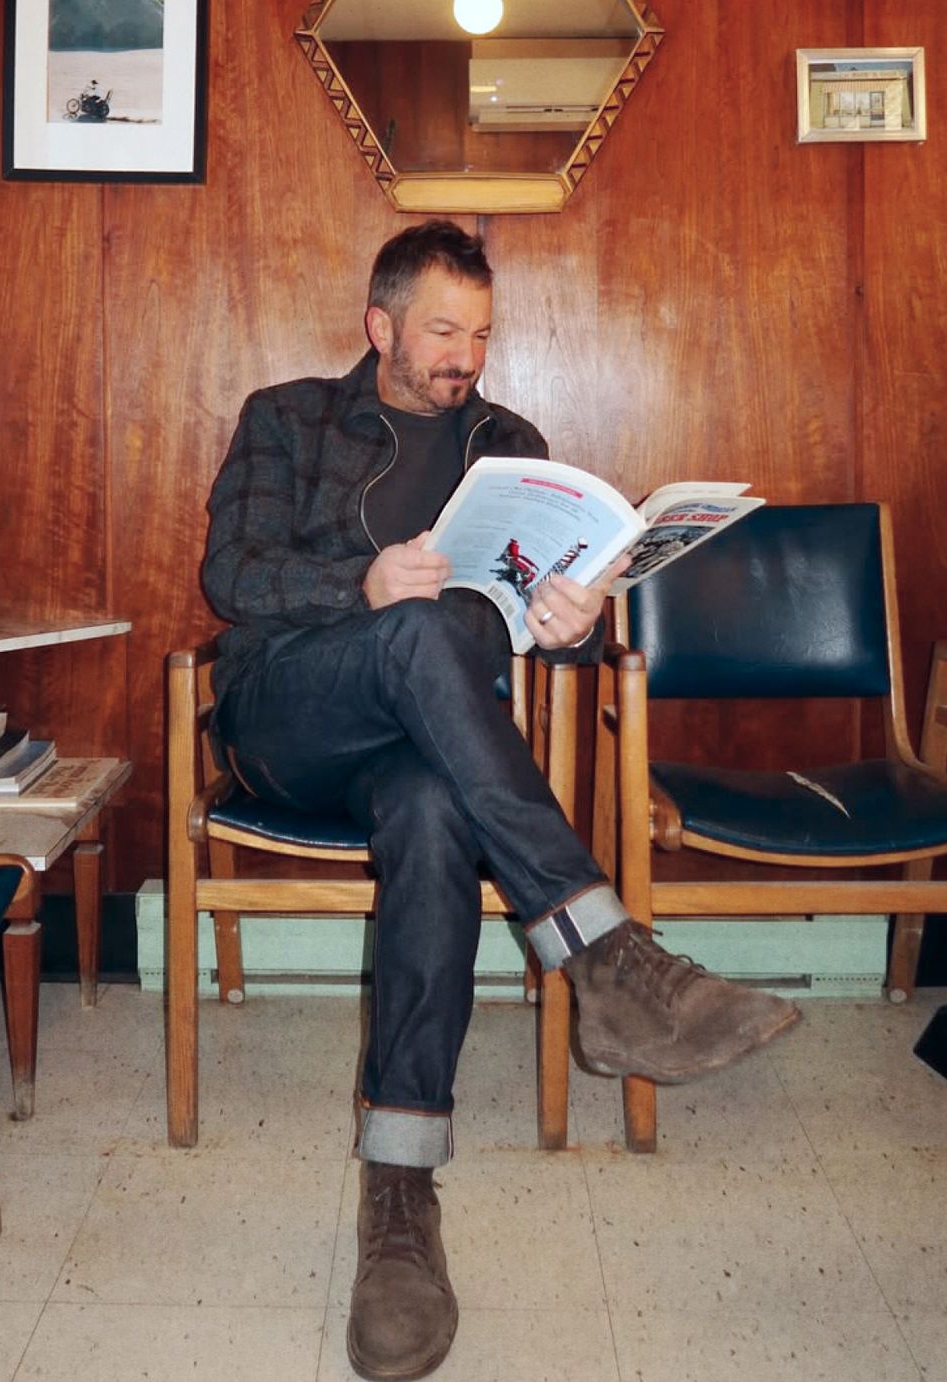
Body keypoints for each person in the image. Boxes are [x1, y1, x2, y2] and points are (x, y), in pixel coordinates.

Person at [200, 220, 800, 1382]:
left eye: (479, 331)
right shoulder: (287, 418)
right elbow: (228, 572)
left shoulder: (507, 440)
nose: (463, 353)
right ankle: (603, 949)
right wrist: (356, 583)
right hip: (292, 715)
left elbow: (538, 612)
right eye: (440, 328)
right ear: (380, 324)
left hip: (422, 744)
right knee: (418, 623)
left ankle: (401, 1196)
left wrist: (578, 626)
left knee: (433, 805)